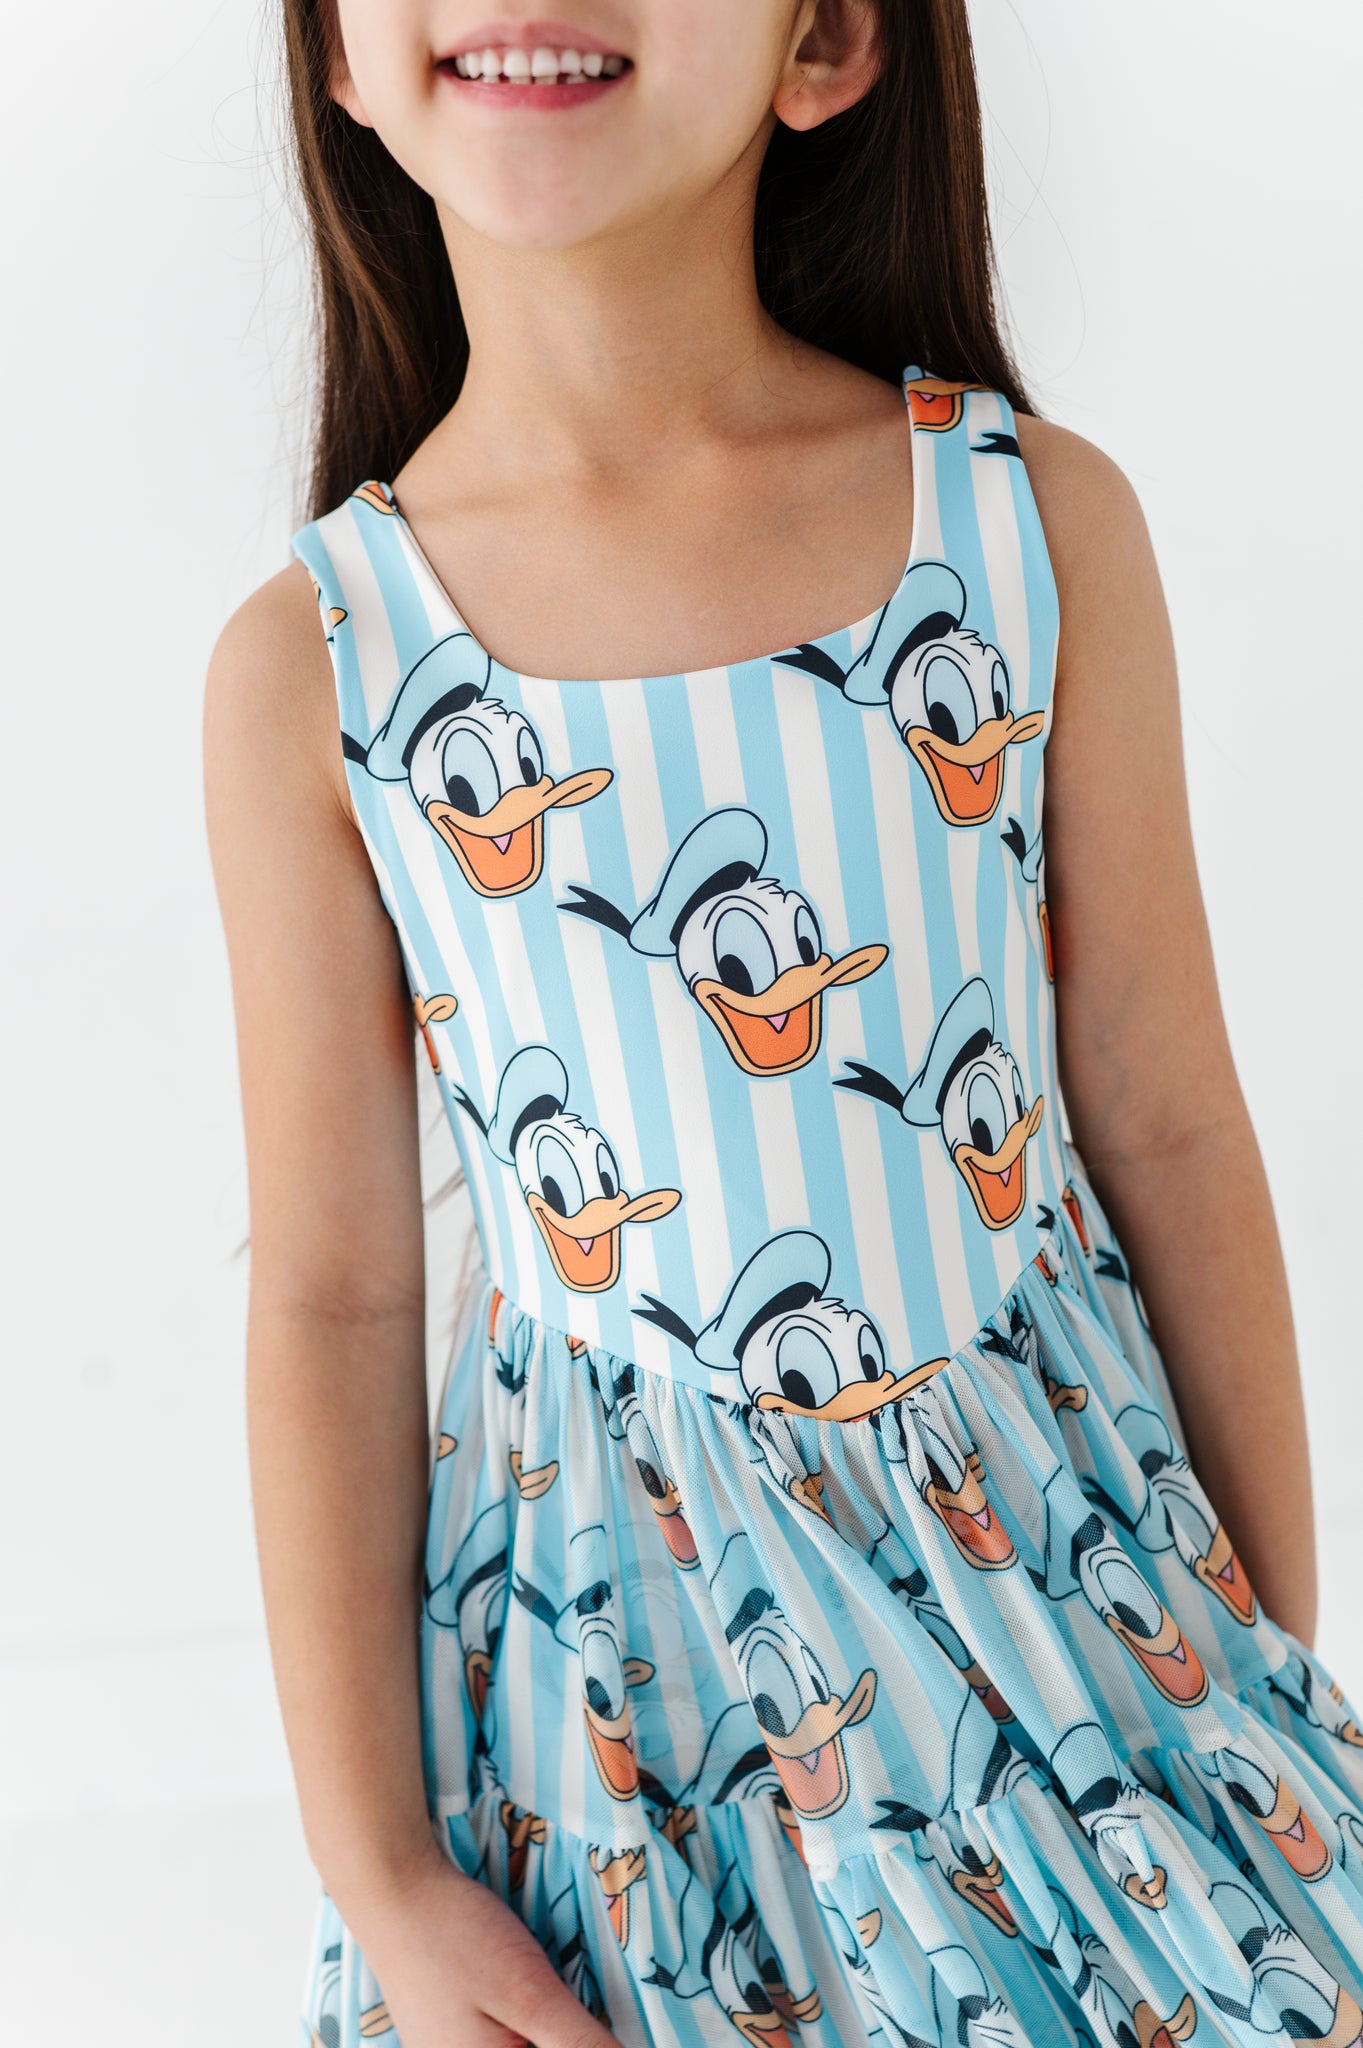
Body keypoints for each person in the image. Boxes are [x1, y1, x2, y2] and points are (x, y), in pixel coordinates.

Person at [202, 4, 1363, 2045]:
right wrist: (379, 1872)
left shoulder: (1025, 527)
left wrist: (1256, 1643)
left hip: (1064, 1591)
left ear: (822, 38)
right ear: (340, 61)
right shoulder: (318, 668)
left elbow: (1164, 1115)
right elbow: (332, 1296)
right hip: (616, 1695)